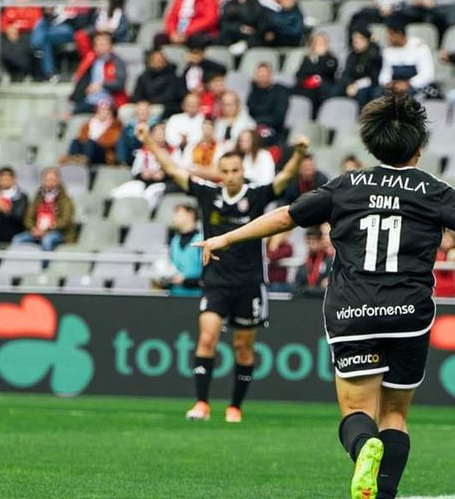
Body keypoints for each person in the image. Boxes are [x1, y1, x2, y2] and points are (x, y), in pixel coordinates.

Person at [195, 92, 455, 499]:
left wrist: (226, 238)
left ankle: (363, 449)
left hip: (353, 310)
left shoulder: (346, 186)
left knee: (356, 411)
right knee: (395, 414)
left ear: (372, 145)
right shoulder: (433, 190)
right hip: (409, 314)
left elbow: (285, 217)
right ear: (418, 148)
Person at [136, 122, 310, 424]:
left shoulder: (256, 195)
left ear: (242, 171)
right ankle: (201, 403)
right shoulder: (208, 194)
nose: (230, 176)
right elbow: (174, 169)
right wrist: (149, 142)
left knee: (243, 348)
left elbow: (284, 178)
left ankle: (235, 407)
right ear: (219, 172)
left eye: (235, 171)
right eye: (225, 171)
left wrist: (298, 154)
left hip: (249, 283)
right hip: (215, 282)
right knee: (207, 339)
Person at [13, 168, 76, 252]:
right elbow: (28, 216)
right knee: (17, 239)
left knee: (47, 240)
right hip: (36, 231)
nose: (50, 182)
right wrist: (33, 228)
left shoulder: (66, 200)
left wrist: (48, 229)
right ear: (42, 181)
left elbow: (66, 220)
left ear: (58, 181)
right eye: (47, 179)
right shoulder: (37, 198)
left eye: (53, 179)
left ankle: (46, 261)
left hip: (58, 233)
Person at [70, 32, 128, 114]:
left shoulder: (118, 62)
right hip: (91, 100)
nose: (99, 47)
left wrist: (101, 85)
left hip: (110, 100)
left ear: (110, 46)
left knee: (103, 112)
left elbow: (119, 84)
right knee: (70, 113)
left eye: (102, 44)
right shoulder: (91, 60)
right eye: (96, 45)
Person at [65, 101, 123, 166]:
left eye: (106, 111)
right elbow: (81, 137)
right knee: (75, 141)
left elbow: (111, 141)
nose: (103, 112)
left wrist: (95, 141)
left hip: (103, 152)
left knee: (91, 142)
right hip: (87, 146)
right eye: (101, 110)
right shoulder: (90, 123)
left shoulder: (115, 125)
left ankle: (85, 160)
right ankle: (72, 159)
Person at [131, 49, 183, 118]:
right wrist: (142, 103)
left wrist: (149, 103)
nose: (157, 62)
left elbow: (169, 97)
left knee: (156, 111)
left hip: (163, 106)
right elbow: (136, 95)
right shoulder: (143, 77)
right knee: (125, 111)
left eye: (160, 60)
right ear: (149, 62)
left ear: (165, 61)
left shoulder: (172, 77)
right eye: (154, 60)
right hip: (143, 106)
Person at [247, 63, 290, 145]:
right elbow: (249, 110)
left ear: (270, 75)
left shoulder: (280, 92)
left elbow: (278, 118)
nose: (262, 77)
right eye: (259, 74)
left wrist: (256, 122)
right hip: (253, 126)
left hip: (273, 129)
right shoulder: (253, 91)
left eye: (264, 74)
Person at [167, 204, 203, 297]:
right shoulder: (174, 240)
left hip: (196, 296)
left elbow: (208, 275)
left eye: (178, 214)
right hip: (175, 295)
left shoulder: (202, 240)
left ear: (190, 215)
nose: (174, 218)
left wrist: (186, 281)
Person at [293, 226, 332, 298]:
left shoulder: (330, 263)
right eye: (308, 242)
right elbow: (296, 289)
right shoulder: (303, 266)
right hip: (305, 303)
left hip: (322, 302)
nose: (311, 245)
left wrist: (305, 290)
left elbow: (327, 290)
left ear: (321, 241)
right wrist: (316, 288)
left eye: (314, 242)